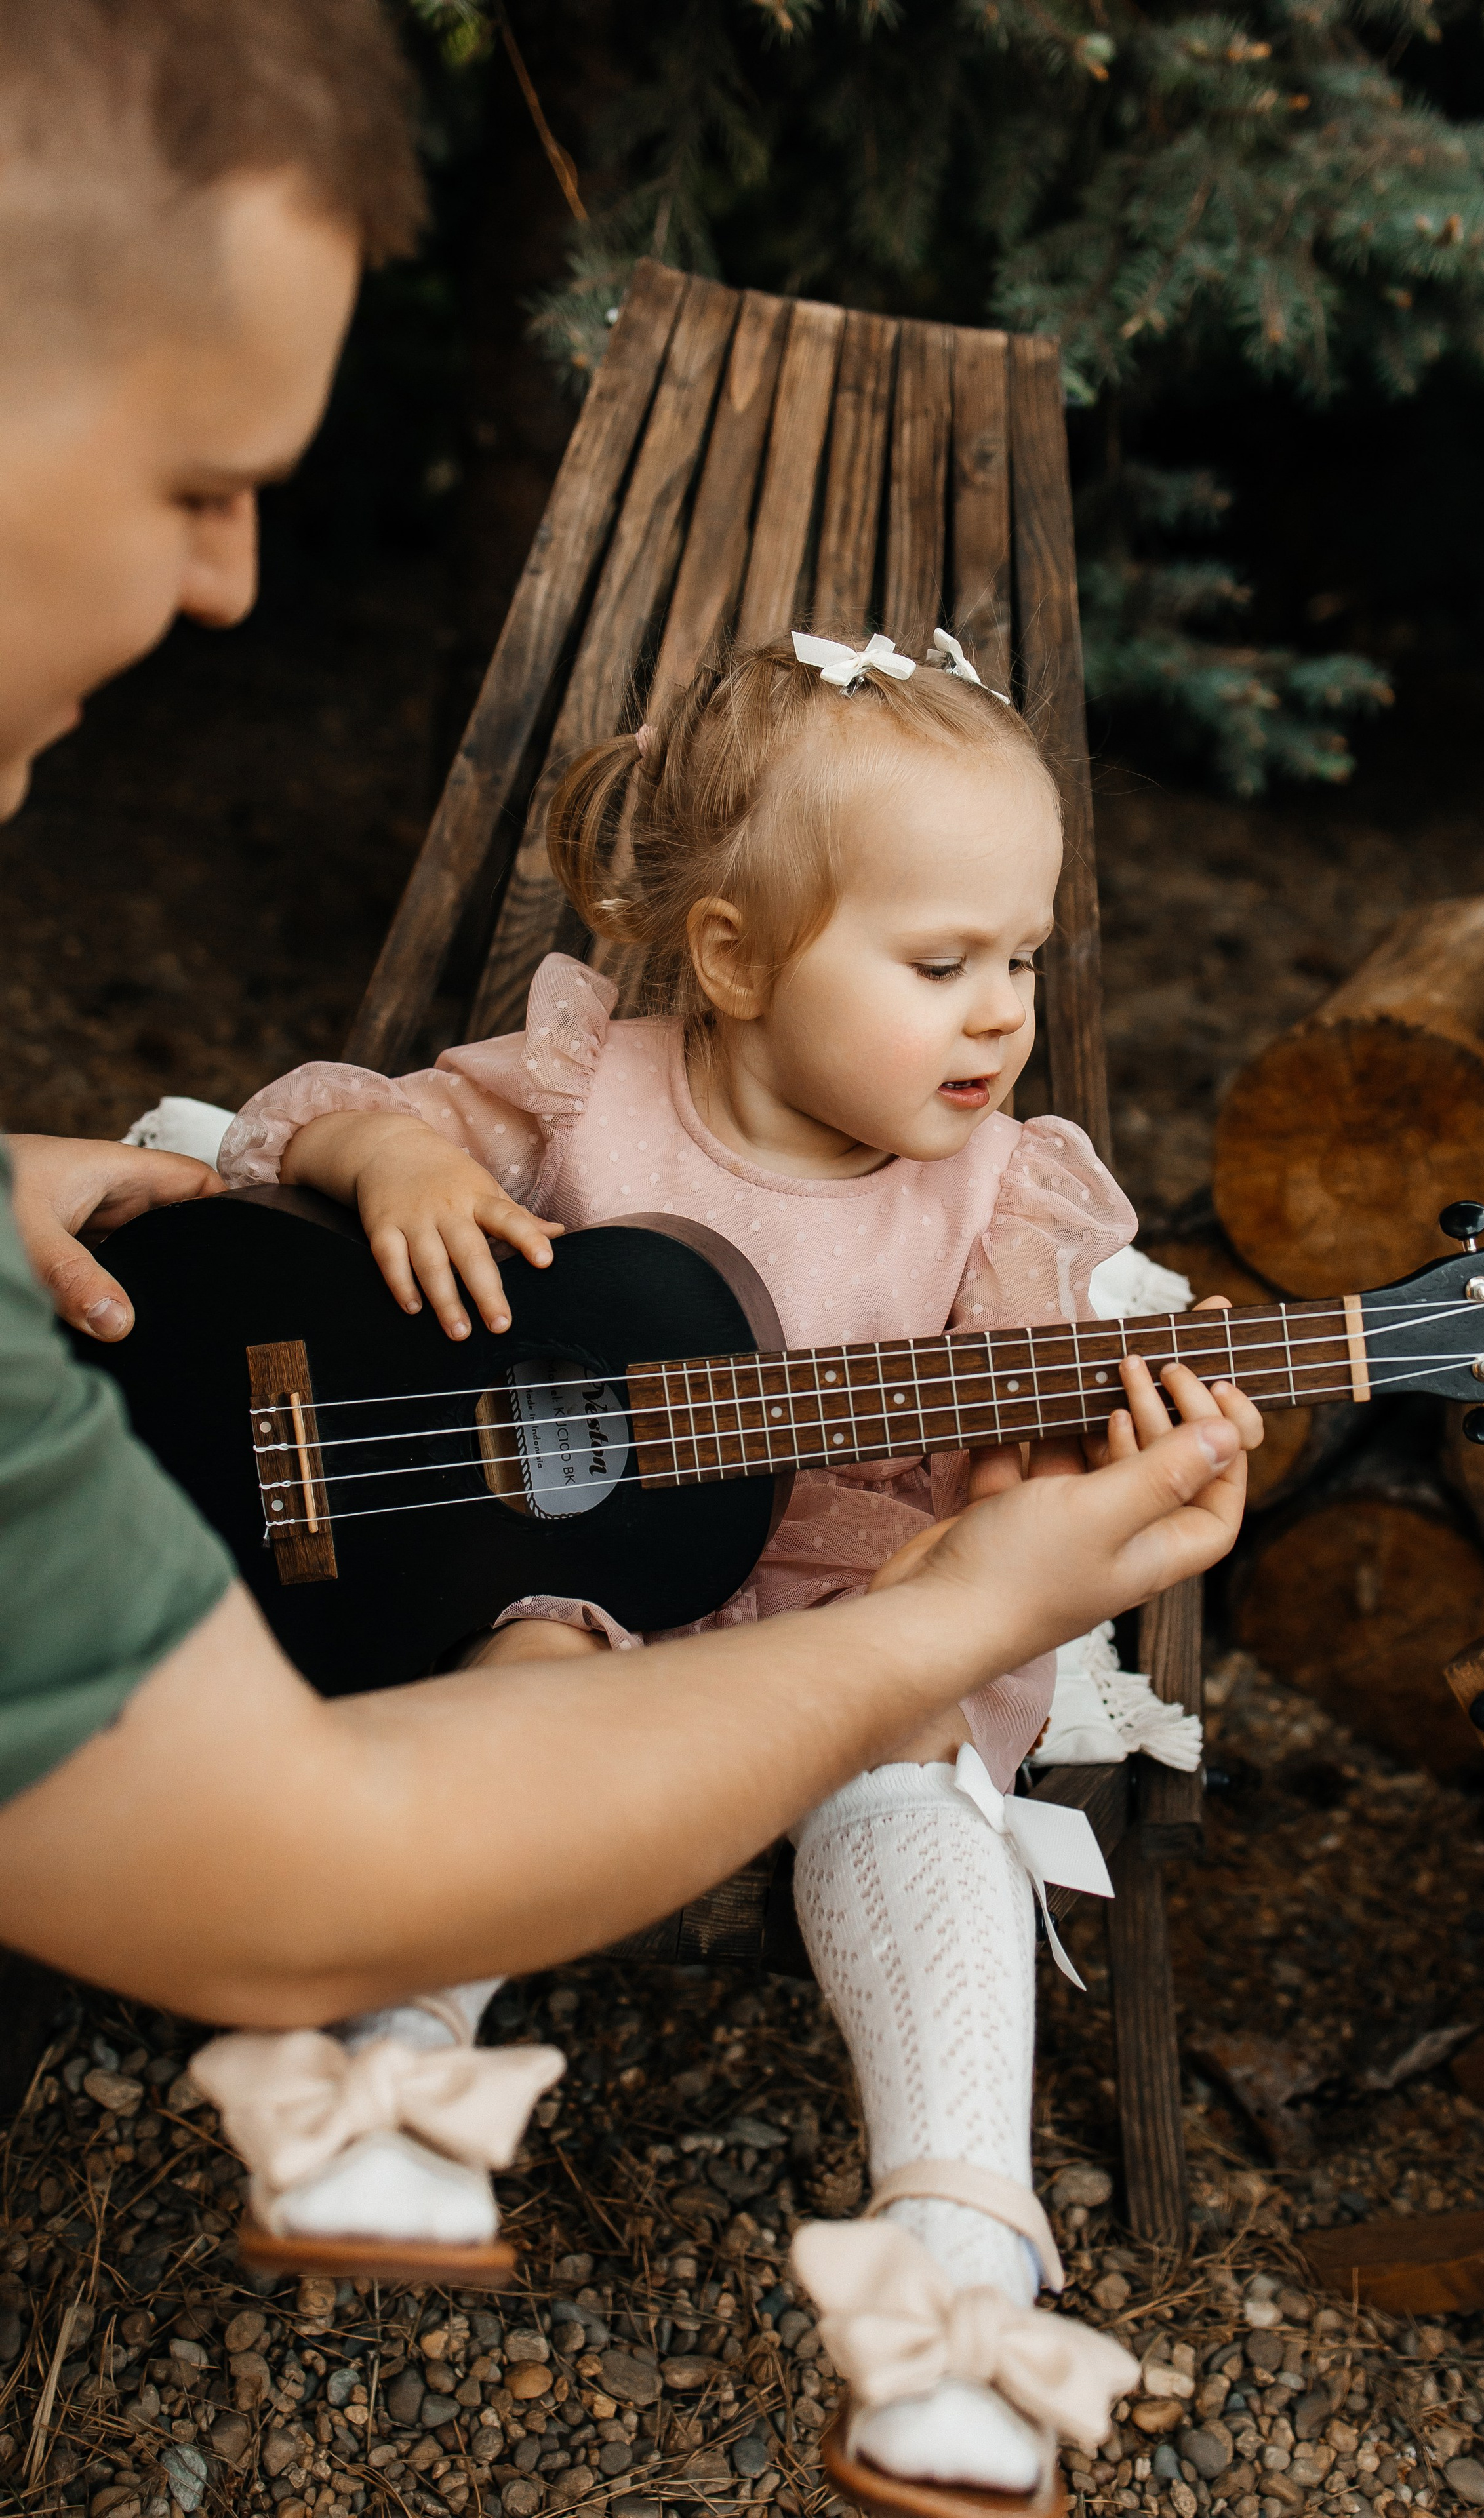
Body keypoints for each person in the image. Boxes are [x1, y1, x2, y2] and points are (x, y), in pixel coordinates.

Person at [214, 631, 1264, 2508]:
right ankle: (395, 2076)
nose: (1000, 1016)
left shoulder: (1004, 1195)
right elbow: (286, 1124)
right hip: (568, 1589)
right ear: (732, 960)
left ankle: (960, 2249)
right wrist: (388, 1160)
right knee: (531, 1665)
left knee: (912, 1739)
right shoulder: (581, 1090)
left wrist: (1120, 1454)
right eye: (941, 966)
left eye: (1022, 959)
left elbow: (1026, 1469)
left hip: (853, 1599)